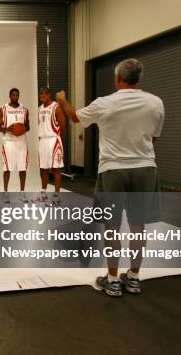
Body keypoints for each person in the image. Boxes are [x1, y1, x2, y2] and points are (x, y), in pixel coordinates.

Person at [56, 58, 164, 298]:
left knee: (111, 227)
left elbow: (75, 117)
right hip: (145, 168)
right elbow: (153, 139)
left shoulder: (105, 103)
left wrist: (63, 101)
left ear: (117, 78)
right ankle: (134, 278)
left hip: (112, 170)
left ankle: (113, 280)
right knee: (138, 226)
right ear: (138, 78)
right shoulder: (156, 103)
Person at [0, 88, 30, 200]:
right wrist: (8, 129)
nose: (15, 97)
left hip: (21, 141)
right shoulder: (3, 109)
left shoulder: (24, 109)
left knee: (22, 168)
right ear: (10, 96)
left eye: (17, 95)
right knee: (7, 168)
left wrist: (22, 129)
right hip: (8, 142)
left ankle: (22, 192)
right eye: (13, 95)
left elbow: (28, 126)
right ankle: (5, 192)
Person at [37, 87, 66, 205]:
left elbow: (63, 123)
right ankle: (43, 193)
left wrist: (59, 138)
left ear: (49, 95)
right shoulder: (39, 108)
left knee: (56, 169)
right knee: (43, 168)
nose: (41, 97)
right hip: (43, 141)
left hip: (53, 140)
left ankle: (56, 197)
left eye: (44, 94)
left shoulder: (56, 107)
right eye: (40, 95)